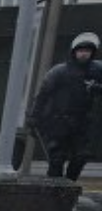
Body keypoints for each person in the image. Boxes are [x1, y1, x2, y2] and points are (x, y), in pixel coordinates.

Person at [31, 32, 102, 180]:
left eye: (87, 51)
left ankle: (69, 186)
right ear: (74, 51)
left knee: (81, 157)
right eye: (80, 50)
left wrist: (98, 88)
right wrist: (34, 116)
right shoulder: (60, 71)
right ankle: (53, 189)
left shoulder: (98, 70)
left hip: (84, 124)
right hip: (58, 121)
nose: (84, 54)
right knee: (56, 159)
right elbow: (43, 95)